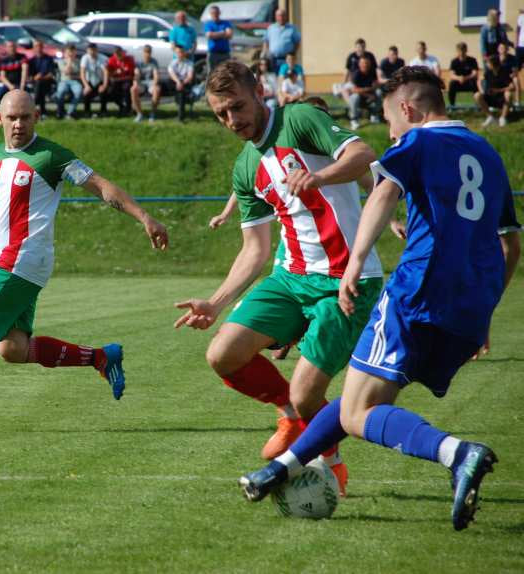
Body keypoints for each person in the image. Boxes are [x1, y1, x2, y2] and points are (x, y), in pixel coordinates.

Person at [239, 66, 521, 531]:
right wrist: (485, 312)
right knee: (359, 391)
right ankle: (281, 468)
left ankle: (457, 452)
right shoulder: (489, 155)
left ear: (408, 109)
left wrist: (355, 261)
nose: (390, 131)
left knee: (357, 411)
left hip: (418, 290)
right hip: (470, 306)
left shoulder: (417, 142)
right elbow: (511, 245)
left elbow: (384, 193)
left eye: (391, 119)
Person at [174, 61, 384, 496]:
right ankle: (287, 411)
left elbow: (364, 154)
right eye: (221, 114)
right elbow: (255, 249)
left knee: (313, 395)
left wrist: (318, 175)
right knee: (223, 355)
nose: (233, 120)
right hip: (291, 279)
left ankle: (332, 462)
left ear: (260, 91)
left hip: (345, 280)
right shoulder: (245, 167)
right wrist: (215, 302)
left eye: (237, 106)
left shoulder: (300, 119)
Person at [0, 89, 169, 434]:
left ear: (36, 117)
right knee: (13, 348)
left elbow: (100, 186)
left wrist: (144, 217)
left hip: (25, 254)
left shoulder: (51, 156)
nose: (18, 124)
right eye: (12, 117)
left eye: (26, 117)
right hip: (16, 259)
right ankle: (101, 357)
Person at [476, 55, 515, 127]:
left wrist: (498, 90)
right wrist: (481, 90)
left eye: (488, 63)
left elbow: (512, 87)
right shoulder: (488, 72)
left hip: (502, 97)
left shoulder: (504, 71)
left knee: (508, 94)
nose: (486, 64)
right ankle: (490, 117)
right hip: (490, 96)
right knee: (477, 95)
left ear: (493, 64)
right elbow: (479, 80)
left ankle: (503, 118)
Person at [348, 55, 381, 129]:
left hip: (370, 97)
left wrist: (374, 88)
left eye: (366, 63)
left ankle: (374, 115)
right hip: (359, 99)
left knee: (379, 92)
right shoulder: (356, 74)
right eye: (363, 63)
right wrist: (368, 91)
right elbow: (354, 90)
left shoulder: (372, 72)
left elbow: (375, 85)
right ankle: (354, 120)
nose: (365, 65)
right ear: (359, 64)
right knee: (354, 96)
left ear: (369, 64)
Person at [131, 45, 161, 122]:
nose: (147, 54)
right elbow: (136, 74)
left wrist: (155, 84)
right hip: (142, 83)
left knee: (156, 90)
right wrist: (136, 82)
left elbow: (156, 75)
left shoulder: (154, 62)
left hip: (151, 82)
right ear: (143, 52)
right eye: (146, 52)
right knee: (133, 89)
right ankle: (139, 113)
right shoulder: (139, 62)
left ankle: (152, 113)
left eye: (149, 52)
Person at [27, 40, 55, 117]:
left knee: (40, 85)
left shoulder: (48, 59)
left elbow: (51, 74)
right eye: (36, 46)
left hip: (47, 82)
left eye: (40, 46)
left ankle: (34, 106)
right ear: (33, 48)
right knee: (39, 86)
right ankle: (43, 112)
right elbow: (29, 76)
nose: (38, 48)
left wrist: (42, 77)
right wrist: (35, 78)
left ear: (42, 47)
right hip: (35, 83)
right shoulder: (31, 61)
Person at [54, 44, 82, 120]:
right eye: (69, 52)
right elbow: (66, 71)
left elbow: (81, 75)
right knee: (60, 92)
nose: (71, 54)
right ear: (65, 53)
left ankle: (70, 112)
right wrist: (69, 62)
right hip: (64, 81)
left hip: (75, 81)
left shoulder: (78, 62)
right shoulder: (61, 61)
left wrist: (73, 76)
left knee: (78, 92)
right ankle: (60, 111)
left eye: (72, 52)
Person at [80, 43, 108, 118]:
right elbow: (82, 73)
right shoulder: (85, 58)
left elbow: (105, 72)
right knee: (86, 93)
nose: (92, 52)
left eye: (94, 50)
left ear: (97, 50)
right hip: (89, 80)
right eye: (90, 50)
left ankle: (103, 111)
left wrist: (104, 85)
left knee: (103, 92)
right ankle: (87, 112)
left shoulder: (103, 58)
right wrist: (86, 85)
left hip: (100, 80)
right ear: (87, 51)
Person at [106, 46, 135, 117]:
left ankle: (128, 109)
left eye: (119, 54)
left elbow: (131, 74)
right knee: (111, 92)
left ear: (122, 53)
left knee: (127, 88)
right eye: (116, 54)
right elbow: (109, 73)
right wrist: (115, 73)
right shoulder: (111, 60)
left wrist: (120, 76)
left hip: (126, 80)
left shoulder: (129, 59)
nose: (118, 56)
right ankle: (122, 107)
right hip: (116, 81)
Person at [448, 42, 479, 107]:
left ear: (466, 50)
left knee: (474, 83)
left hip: (469, 82)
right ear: (457, 51)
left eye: (463, 50)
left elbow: (475, 73)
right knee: (451, 84)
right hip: (458, 83)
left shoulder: (472, 60)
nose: (461, 52)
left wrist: (465, 78)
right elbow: (451, 75)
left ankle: (478, 104)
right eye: (460, 50)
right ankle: (452, 105)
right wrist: (459, 78)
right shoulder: (454, 61)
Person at [168, 45, 194, 122]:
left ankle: (180, 117)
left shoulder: (189, 63)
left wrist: (182, 83)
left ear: (184, 53)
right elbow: (171, 74)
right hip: (175, 82)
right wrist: (178, 82)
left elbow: (190, 76)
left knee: (181, 92)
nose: (180, 54)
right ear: (175, 53)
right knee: (170, 83)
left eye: (181, 52)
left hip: (185, 82)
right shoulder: (172, 63)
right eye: (178, 52)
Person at [204, 5, 233, 72]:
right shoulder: (208, 24)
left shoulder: (226, 23)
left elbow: (230, 35)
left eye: (216, 13)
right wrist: (223, 33)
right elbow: (209, 35)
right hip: (213, 53)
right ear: (210, 14)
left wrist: (215, 34)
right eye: (213, 13)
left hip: (225, 53)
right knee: (212, 73)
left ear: (219, 13)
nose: (215, 15)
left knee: (226, 73)